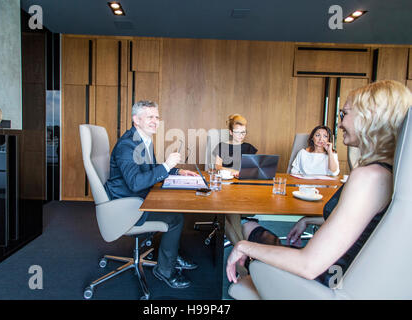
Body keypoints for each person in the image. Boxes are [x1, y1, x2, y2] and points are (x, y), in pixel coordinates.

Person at [227, 80, 412, 288]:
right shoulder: (389, 173)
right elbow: (362, 227)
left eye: (344, 115)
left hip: (326, 280)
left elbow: (308, 265)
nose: (339, 124)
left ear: (370, 117)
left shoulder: (369, 178)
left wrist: (244, 247)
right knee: (256, 231)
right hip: (344, 273)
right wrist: (307, 220)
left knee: (248, 230)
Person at [104, 100, 199, 289]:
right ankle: (165, 270)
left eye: (157, 117)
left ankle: (169, 254)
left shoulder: (143, 140)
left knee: (174, 205)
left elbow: (149, 169)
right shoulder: (127, 146)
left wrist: (177, 171)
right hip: (127, 205)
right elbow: (135, 182)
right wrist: (166, 166)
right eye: (150, 117)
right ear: (136, 120)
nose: (155, 121)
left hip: (138, 197)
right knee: (176, 218)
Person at [212, 114, 258, 246]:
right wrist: (233, 171)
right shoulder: (222, 146)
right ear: (231, 132)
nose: (241, 135)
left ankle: (240, 248)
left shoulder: (249, 147)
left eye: (243, 132)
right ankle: (242, 249)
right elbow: (217, 166)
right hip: (224, 188)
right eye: (238, 132)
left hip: (242, 189)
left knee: (230, 213)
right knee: (231, 212)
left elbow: (253, 168)